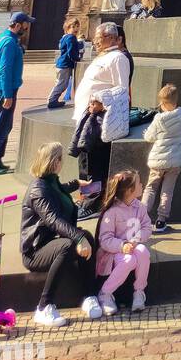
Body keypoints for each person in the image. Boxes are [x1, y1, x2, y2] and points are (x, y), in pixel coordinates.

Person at [21, 141, 102, 328]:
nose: (62, 162)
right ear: (54, 162)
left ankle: (89, 296)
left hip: (50, 241)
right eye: (60, 159)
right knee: (70, 244)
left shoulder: (50, 181)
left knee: (87, 236)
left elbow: (59, 189)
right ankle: (44, 306)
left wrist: (76, 184)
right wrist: (78, 238)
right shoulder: (38, 190)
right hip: (35, 250)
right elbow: (53, 220)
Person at [72, 22, 130, 217]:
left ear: (113, 38)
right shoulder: (104, 57)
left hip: (98, 119)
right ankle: (86, 199)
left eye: (100, 38)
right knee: (86, 161)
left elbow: (121, 89)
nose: (95, 41)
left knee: (93, 162)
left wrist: (102, 103)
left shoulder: (118, 58)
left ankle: (92, 204)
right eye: (96, 38)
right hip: (86, 116)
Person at [0, 10, 34, 176]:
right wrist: (8, 95)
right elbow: (5, 69)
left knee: (4, 125)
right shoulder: (9, 43)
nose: (27, 28)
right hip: (4, 90)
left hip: (6, 88)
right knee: (0, 126)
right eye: (25, 25)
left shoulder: (8, 39)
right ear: (17, 25)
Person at [96, 168, 153, 315]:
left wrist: (136, 239)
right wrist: (122, 246)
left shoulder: (139, 207)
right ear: (129, 190)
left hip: (133, 247)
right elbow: (105, 239)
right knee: (129, 260)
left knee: (143, 251)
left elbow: (147, 226)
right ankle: (105, 293)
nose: (142, 185)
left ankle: (139, 292)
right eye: (139, 183)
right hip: (113, 253)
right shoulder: (112, 211)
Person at [142, 83, 181, 232]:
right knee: (167, 191)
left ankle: (141, 218)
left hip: (157, 161)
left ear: (162, 103)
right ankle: (161, 220)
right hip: (174, 162)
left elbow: (149, 137)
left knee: (150, 189)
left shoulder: (158, 119)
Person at [48, 15, 84, 109]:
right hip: (65, 64)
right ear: (67, 28)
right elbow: (71, 51)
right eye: (73, 27)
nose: (76, 29)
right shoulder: (71, 38)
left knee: (60, 82)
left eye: (77, 26)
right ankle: (52, 100)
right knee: (62, 83)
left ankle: (52, 99)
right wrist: (77, 58)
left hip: (61, 64)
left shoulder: (65, 37)